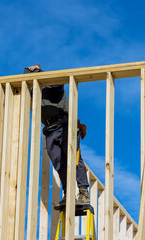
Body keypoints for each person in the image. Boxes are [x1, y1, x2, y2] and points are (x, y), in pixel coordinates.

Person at [24, 64, 90, 208]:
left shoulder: (51, 85)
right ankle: (68, 193)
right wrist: (26, 74)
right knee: (59, 164)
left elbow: (59, 82)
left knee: (74, 158)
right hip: (50, 130)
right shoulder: (33, 93)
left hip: (65, 124)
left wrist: (41, 73)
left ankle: (83, 192)